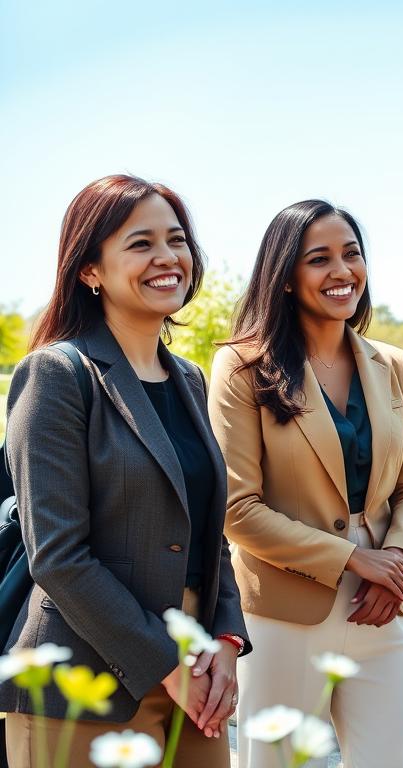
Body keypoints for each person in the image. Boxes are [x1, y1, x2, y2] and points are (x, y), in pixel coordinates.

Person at [0, 175, 249, 767]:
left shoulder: (189, 379)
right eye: (140, 244)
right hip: (84, 682)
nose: (168, 258)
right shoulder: (57, 376)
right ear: (90, 270)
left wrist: (226, 640)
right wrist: (165, 664)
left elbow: (208, 531)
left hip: (198, 675)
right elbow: (58, 555)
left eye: (177, 239)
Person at [208, 200, 403, 768]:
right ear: (284, 277)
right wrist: (355, 560)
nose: (342, 271)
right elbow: (237, 509)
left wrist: (398, 561)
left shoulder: (394, 365)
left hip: (384, 605)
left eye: (352, 254)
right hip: (284, 611)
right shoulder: (241, 367)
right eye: (319, 259)